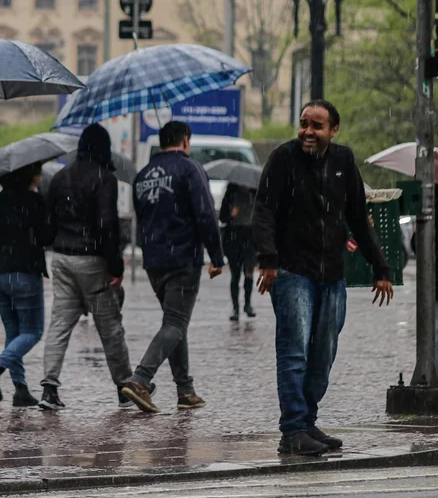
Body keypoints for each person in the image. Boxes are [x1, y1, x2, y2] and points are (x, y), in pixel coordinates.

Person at [253, 99, 394, 456]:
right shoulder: (283, 159)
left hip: (331, 274)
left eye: (317, 126)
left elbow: (359, 218)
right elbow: (264, 210)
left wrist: (381, 268)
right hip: (290, 272)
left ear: (334, 130)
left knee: (323, 354)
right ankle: (293, 429)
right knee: (295, 351)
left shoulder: (344, 161)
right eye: (304, 124)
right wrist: (268, 260)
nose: (308, 132)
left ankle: (307, 421)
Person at [120, 121, 224, 413]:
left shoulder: (141, 176)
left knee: (174, 323)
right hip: (182, 258)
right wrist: (216, 256)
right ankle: (141, 380)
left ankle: (185, 390)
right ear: (186, 140)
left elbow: (141, 218)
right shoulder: (190, 169)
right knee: (176, 323)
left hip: (154, 261)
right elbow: (205, 214)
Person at [39, 123, 144, 411]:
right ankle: (125, 385)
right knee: (109, 325)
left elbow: (48, 222)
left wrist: (54, 242)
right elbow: (107, 225)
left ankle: (49, 387)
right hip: (92, 260)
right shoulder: (104, 178)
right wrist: (115, 266)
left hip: (61, 257)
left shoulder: (60, 176)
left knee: (60, 323)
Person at [0, 162, 55, 408]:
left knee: (13, 333)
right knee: (32, 332)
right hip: (23, 272)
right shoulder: (35, 201)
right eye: (38, 171)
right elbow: (46, 237)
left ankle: (21, 389)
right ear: (30, 175)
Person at [219, 183, 257, 321]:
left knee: (249, 272)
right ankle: (235, 308)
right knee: (235, 274)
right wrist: (231, 214)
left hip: (250, 238)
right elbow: (222, 218)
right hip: (234, 238)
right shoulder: (231, 194)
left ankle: (248, 304)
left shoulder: (255, 193)